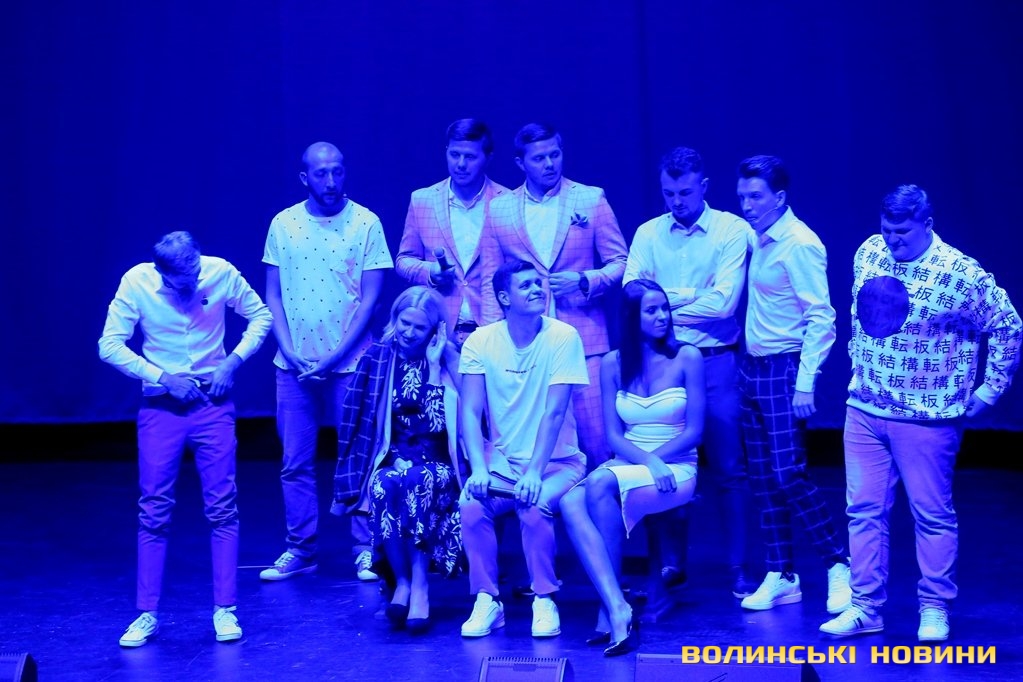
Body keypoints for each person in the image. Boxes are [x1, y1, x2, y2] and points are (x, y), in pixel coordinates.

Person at [820, 184, 1021, 641]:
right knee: (863, 511)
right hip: (865, 409)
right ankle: (865, 607)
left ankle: (934, 607)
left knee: (931, 514)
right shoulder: (869, 252)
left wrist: (991, 389)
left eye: (903, 233)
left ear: (927, 225)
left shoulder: (958, 273)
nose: (892, 240)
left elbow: (1007, 324)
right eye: (887, 230)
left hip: (926, 418)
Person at [98, 231, 272, 646]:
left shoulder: (220, 272)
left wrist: (232, 362)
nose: (194, 282)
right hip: (162, 408)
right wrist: (162, 377)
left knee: (222, 507)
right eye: (183, 279)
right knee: (154, 508)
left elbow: (261, 316)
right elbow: (109, 345)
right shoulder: (137, 282)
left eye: (196, 271)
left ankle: (225, 609)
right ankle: (147, 613)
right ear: (163, 273)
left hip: (213, 404)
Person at [624, 146, 757, 599]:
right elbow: (633, 293)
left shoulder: (731, 229)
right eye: (668, 193)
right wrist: (689, 296)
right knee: (660, 459)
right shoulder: (648, 233)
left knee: (729, 467)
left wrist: (663, 303)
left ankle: (738, 568)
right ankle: (669, 564)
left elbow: (724, 303)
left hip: (717, 360)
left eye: (684, 192)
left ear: (704, 186)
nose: (676, 201)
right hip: (662, 358)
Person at [260, 142, 393, 583]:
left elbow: (371, 301)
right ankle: (301, 549)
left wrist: (335, 355)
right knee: (295, 461)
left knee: (358, 455)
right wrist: (288, 349)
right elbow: (273, 295)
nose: (331, 181)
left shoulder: (366, 222)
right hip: (293, 367)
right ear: (305, 178)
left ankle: (364, 548)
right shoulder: (283, 224)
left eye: (337, 171)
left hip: (351, 364)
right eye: (321, 173)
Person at [561, 279, 705, 657]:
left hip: (677, 467)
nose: (662, 317)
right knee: (570, 502)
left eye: (665, 308)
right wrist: (647, 461)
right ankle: (615, 604)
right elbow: (614, 435)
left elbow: (694, 432)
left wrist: (658, 461)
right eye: (651, 310)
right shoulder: (612, 363)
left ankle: (609, 610)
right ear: (631, 317)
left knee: (597, 485)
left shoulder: (687, 357)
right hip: (632, 462)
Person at [734, 155, 851, 614]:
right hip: (752, 369)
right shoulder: (757, 237)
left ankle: (838, 563)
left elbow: (821, 317)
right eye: (742, 196)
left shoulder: (799, 243)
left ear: (779, 197)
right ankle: (781, 573)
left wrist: (806, 383)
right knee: (763, 479)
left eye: (755, 197)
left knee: (789, 474)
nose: (746, 205)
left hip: (783, 369)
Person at [480, 122, 628, 467]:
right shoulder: (500, 208)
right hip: (525, 346)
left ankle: (605, 501)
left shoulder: (590, 199)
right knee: (532, 443)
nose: (549, 164)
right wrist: (490, 341)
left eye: (555, 154)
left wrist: (585, 280)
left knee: (598, 439)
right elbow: (491, 278)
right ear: (520, 163)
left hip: (585, 339)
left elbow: (621, 262)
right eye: (539, 158)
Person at [458, 259, 589, 639]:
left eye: (538, 283)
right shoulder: (480, 341)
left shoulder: (563, 336)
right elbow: (470, 411)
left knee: (534, 505)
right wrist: (478, 468)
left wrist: (534, 471)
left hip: (558, 462)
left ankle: (544, 597)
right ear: (504, 298)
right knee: (471, 504)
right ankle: (487, 599)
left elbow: (555, 411)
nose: (537, 290)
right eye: (526, 285)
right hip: (502, 464)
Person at [331, 286, 462, 634]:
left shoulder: (450, 358)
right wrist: (388, 460)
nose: (409, 332)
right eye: (405, 323)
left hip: (441, 462)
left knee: (418, 480)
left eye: (419, 327)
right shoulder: (377, 358)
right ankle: (400, 581)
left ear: (435, 329)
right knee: (383, 483)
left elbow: (438, 425)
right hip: (392, 458)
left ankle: (419, 586)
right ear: (395, 319)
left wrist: (433, 367)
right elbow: (358, 423)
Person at [395, 119, 510, 350]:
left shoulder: (508, 202)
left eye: (470, 157)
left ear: (488, 158)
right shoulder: (423, 200)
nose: (461, 164)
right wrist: (430, 272)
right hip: (435, 330)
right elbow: (403, 261)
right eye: (454, 155)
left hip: (493, 328)